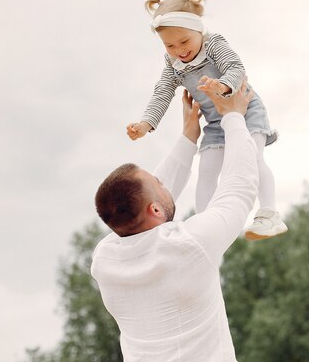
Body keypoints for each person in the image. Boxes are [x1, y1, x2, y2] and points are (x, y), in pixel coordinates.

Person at [91, 81, 258, 362]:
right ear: (154, 210)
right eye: (158, 181)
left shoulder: (105, 262)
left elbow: (145, 204)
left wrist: (188, 138)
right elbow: (238, 188)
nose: (163, 182)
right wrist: (233, 117)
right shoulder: (188, 245)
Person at [126, 0, 287, 240]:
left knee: (252, 158)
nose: (179, 50)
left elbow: (236, 67)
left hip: (246, 110)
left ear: (198, 30)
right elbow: (162, 92)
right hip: (215, 123)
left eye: (184, 41)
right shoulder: (174, 64)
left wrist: (222, 86)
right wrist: (146, 124)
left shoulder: (214, 45)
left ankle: (269, 213)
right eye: (169, 45)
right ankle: (205, 223)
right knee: (208, 170)